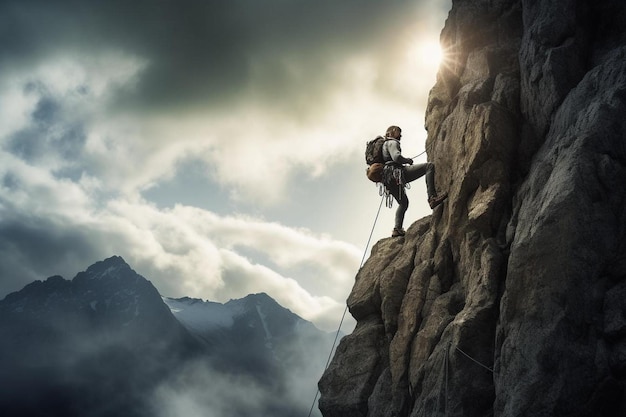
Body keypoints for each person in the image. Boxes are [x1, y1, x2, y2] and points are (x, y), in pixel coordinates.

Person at [381, 125, 447, 237]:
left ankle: (397, 229)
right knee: (429, 167)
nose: (400, 135)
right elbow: (396, 157)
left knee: (403, 203)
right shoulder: (392, 142)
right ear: (392, 131)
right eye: (399, 132)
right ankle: (432, 198)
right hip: (396, 172)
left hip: (387, 179)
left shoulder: (383, 146)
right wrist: (407, 160)